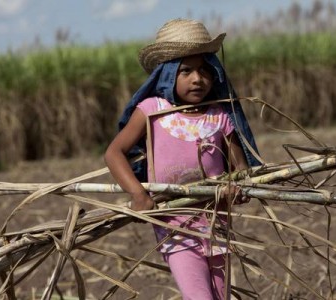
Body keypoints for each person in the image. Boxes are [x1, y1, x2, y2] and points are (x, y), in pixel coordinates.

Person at [104, 18, 261, 299]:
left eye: (204, 71)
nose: (197, 79)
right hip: (174, 225)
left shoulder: (220, 116)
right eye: (186, 71)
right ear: (167, 75)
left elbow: (240, 169)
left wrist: (237, 188)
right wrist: (138, 194)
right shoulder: (152, 110)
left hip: (217, 223)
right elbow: (114, 153)